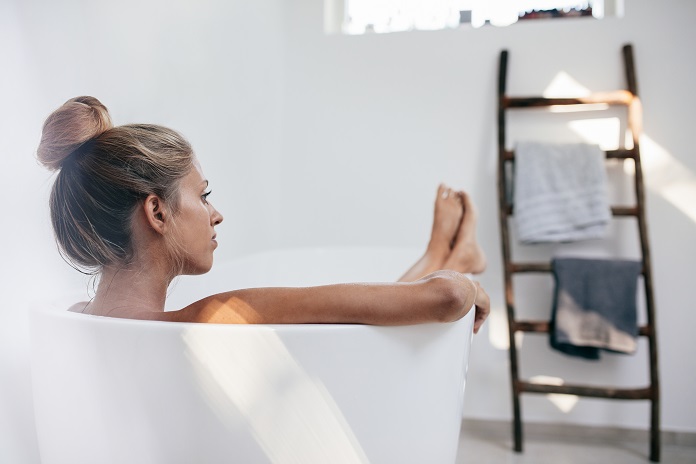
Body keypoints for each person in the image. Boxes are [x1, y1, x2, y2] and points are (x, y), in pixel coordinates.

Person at [37, 96, 490, 333]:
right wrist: (464, 283)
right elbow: (445, 299)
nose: (216, 215)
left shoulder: (74, 317)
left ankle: (444, 252)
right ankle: (454, 258)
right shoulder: (215, 317)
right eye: (204, 195)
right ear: (156, 211)